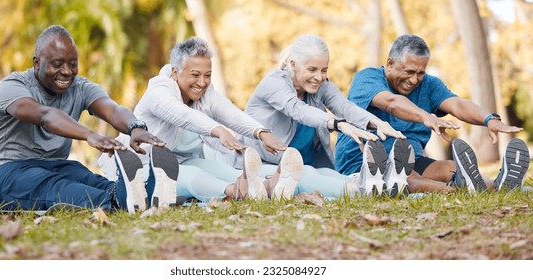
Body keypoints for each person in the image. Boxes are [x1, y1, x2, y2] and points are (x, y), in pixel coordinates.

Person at [0, 25, 167, 213]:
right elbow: (45, 115)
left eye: (72, 64)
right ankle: (115, 201)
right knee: (55, 186)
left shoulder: (80, 87)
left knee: (85, 177)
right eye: (57, 64)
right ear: (36, 63)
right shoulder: (12, 85)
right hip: (5, 174)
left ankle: (141, 194)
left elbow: (112, 110)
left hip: (55, 166)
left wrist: (135, 127)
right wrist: (89, 134)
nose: (67, 71)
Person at [99, 37, 304, 203]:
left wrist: (261, 132)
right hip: (138, 168)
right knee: (190, 176)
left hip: (179, 160)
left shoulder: (204, 92)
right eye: (195, 75)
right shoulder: (158, 91)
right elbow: (181, 114)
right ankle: (238, 192)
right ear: (175, 72)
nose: (202, 82)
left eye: (208, 75)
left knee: (220, 169)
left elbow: (228, 111)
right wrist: (218, 130)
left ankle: (269, 187)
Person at [335, 34, 530, 193]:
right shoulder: (367, 78)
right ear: (390, 63)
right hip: (365, 162)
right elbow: (391, 103)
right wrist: (426, 117)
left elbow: (458, 104)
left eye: (420, 73)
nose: (414, 79)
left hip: (411, 159)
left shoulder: (429, 84)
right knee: (407, 178)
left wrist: (488, 119)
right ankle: (452, 189)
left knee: (451, 168)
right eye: (409, 71)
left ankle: (499, 186)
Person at [243, 34, 411, 198]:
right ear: (293, 64)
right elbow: (298, 110)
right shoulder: (274, 82)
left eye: (324, 70)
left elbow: (344, 106)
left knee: (329, 175)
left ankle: (382, 182)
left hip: (307, 166)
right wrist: (338, 124)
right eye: (312, 70)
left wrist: (376, 122)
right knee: (307, 176)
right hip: (266, 167)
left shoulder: (320, 85)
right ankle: (362, 189)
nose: (319, 77)